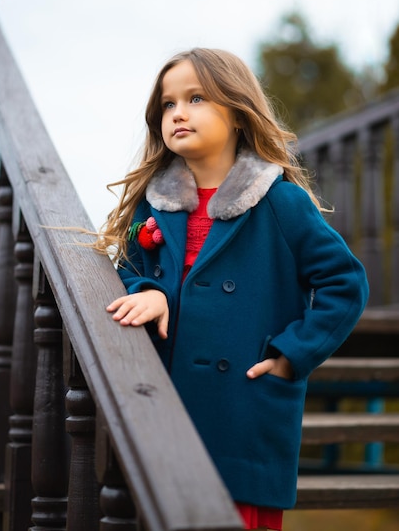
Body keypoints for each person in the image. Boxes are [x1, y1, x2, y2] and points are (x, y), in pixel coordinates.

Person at [96, 48, 369, 530]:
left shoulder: (280, 201)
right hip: (162, 407)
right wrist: (149, 290)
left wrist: (292, 354)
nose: (178, 112)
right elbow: (126, 271)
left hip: (243, 415)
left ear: (238, 112)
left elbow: (344, 283)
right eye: (167, 103)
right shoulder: (153, 203)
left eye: (196, 98)